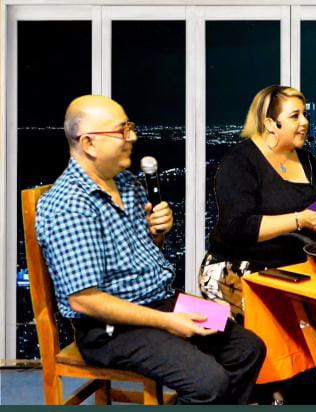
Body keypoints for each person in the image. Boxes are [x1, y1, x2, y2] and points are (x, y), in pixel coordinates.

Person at [36, 95, 266, 404]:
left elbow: (142, 254)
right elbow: (84, 299)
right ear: (89, 143)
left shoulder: (126, 183)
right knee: (208, 382)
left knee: (248, 348)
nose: (132, 137)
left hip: (161, 302)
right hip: (111, 328)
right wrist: (169, 322)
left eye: (129, 127)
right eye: (122, 130)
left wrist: (157, 234)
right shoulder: (69, 205)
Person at [202, 86, 316, 312]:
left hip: (296, 270)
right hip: (240, 272)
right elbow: (237, 228)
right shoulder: (239, 162)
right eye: (295, 116)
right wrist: (300, 220)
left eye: (305, 114)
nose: (305, 122)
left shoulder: (306, 160)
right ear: (270, 124)